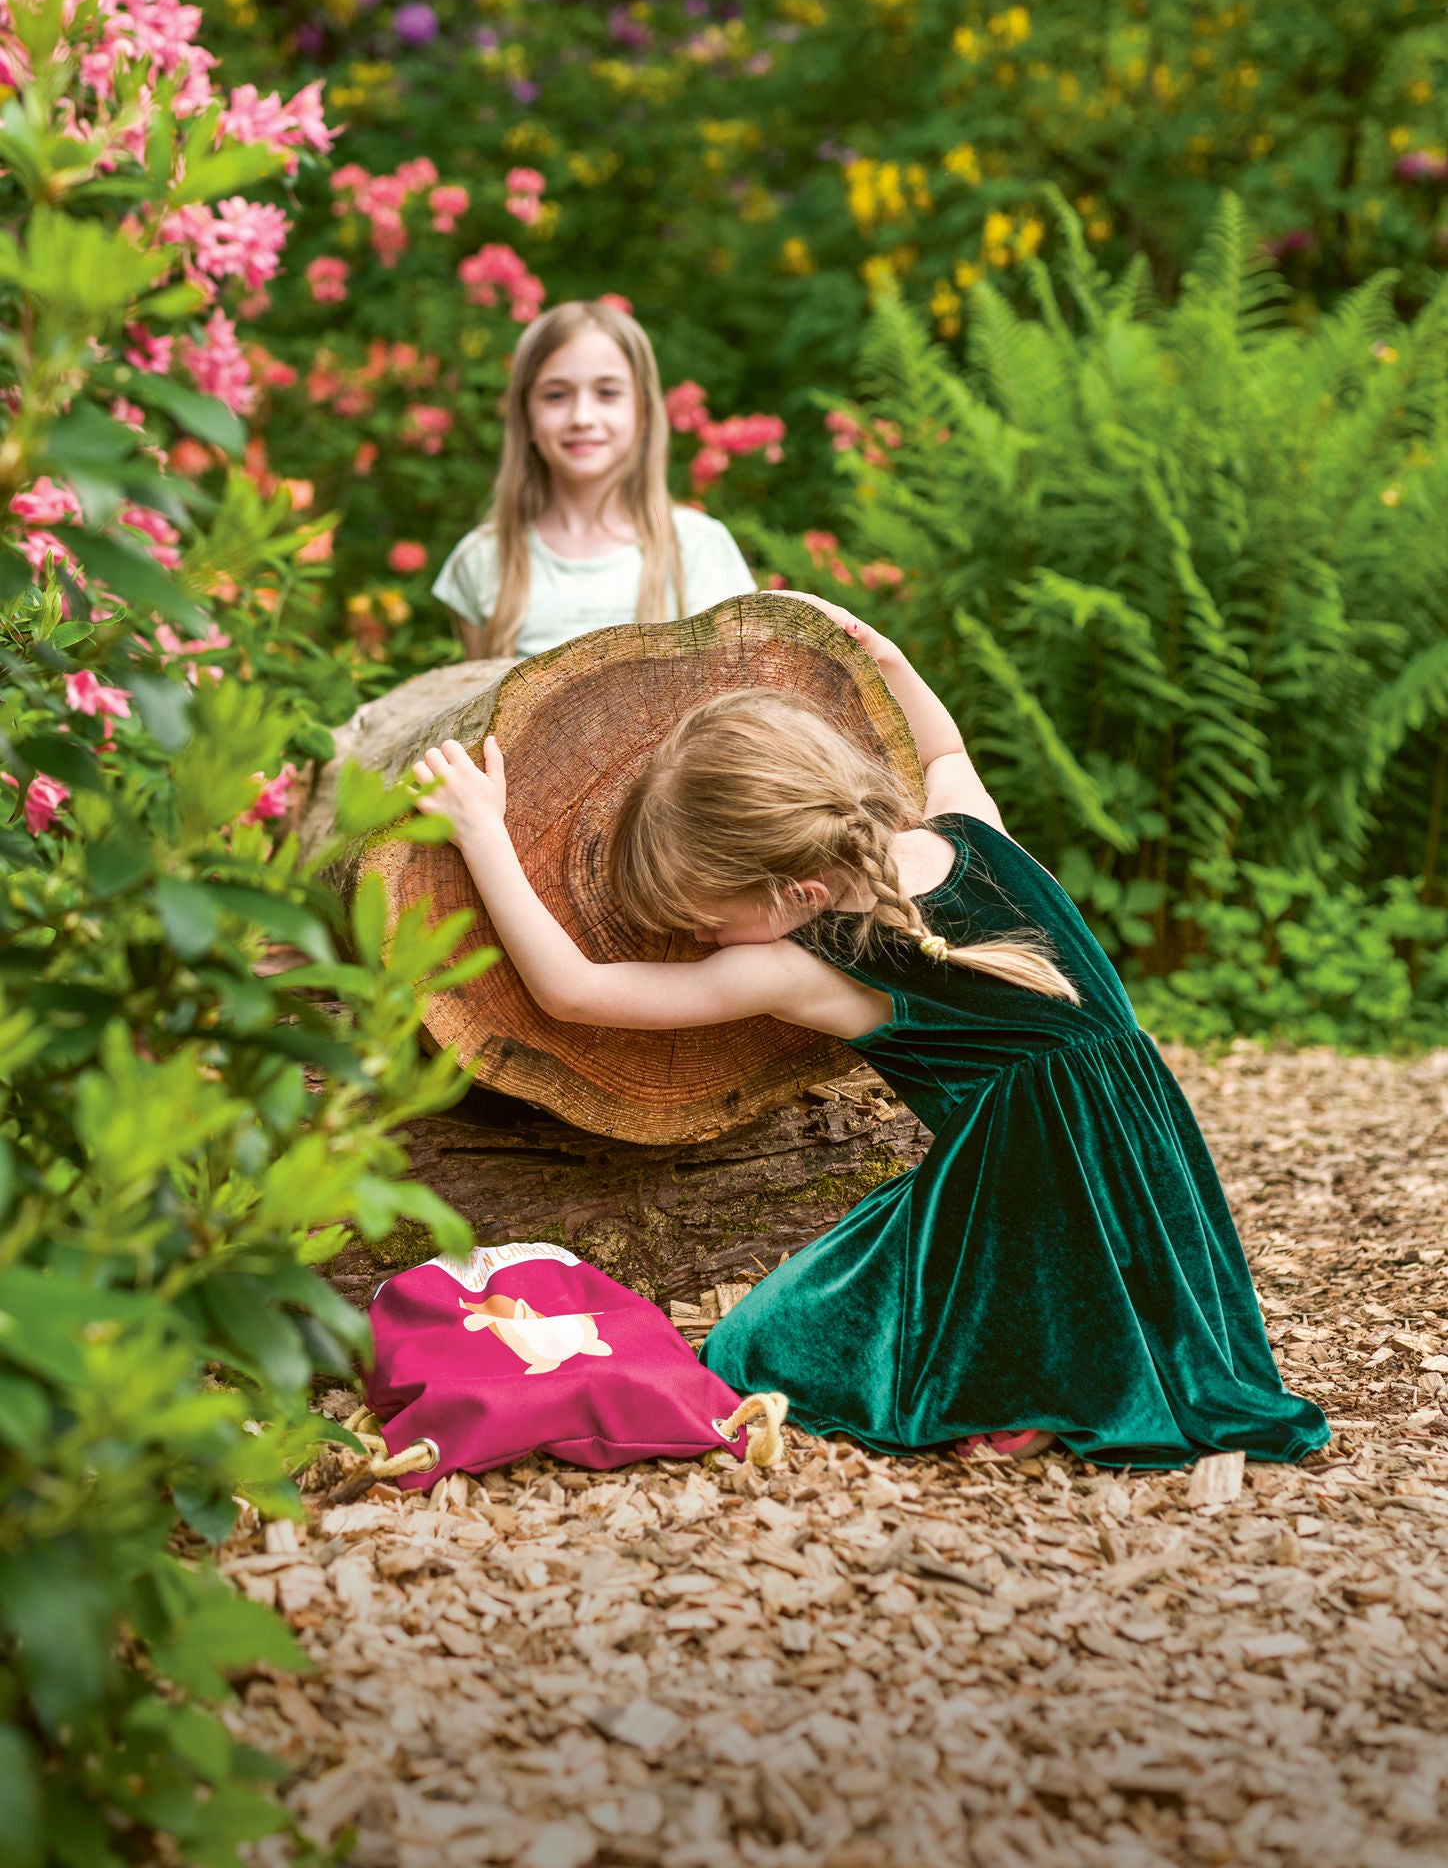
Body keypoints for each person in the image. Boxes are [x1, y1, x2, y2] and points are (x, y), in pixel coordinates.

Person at [412, 593, 1329, 1467]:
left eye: (705, 921)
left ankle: (1021, 1385)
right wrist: (884, 656)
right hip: (1144, 1150)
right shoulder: (972, 833)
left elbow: (575, 991)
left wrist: (486, 835)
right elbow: (947, 749)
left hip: (1020, 1189)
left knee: (762, 1339)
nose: (696, 941)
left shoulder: (807, 963)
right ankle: (1072, 1364)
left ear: (795, 896)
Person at [432, 299, 756, 658]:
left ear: (644, 411)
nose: (582, 417)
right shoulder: (482, 560)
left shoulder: (699, 548)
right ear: (526, 417)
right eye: (556, 395)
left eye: (607, 393)